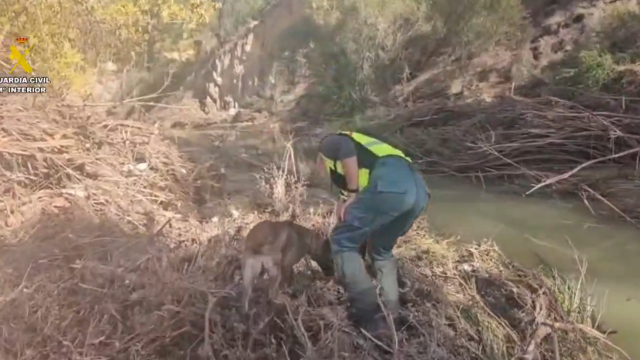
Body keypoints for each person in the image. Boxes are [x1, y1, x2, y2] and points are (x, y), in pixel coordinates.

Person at [316, 131, 430, 335]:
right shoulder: (367, 160)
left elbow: (346, 150)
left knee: (342, 241)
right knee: (381, 250)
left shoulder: (329, 142)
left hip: (392, 184)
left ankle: (369, 314)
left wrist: (351, 194)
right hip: (418, 192)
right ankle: (391, 315)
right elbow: (352, 206)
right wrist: (346, 201)